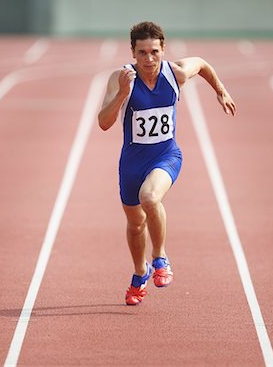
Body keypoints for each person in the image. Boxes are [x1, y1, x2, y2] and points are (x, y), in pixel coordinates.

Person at [98, 21, 236, 306]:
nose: (149, 59)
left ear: (163, 49)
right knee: (135, 225)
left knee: (150, 197)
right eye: (143, 53)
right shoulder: (120, 77)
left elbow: (203, 64)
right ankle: (140, 273)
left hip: (166, 155)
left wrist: (220, 89)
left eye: (154, 51)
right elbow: (103, 123)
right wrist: (123, 94)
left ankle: (160, 258)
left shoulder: (176, 74)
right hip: (131, 164)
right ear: (133, 53)